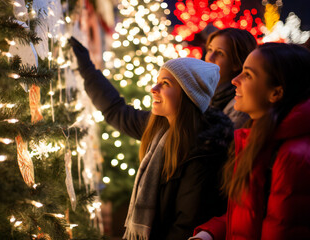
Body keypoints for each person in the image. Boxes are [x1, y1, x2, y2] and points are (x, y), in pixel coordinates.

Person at [69, 37, 234, 240]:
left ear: (189, 96)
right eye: (157, 82)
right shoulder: (160, 127)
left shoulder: (203, 152)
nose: (153, 89)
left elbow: (185, 227)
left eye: (165, 84)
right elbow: (116, 110)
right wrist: (87, 68)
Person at [191, 43, 310, 240]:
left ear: (276, 93)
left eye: (248, 75)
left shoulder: (292, 157)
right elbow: (252, 213)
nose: (234, 80)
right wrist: (208, 234)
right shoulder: (260, 137)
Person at [205, 28, 257, 129]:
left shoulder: (240, 107)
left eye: (220, 53)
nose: (210, 57)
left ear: (237, 63)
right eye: (210, 49)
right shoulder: (207, 94)